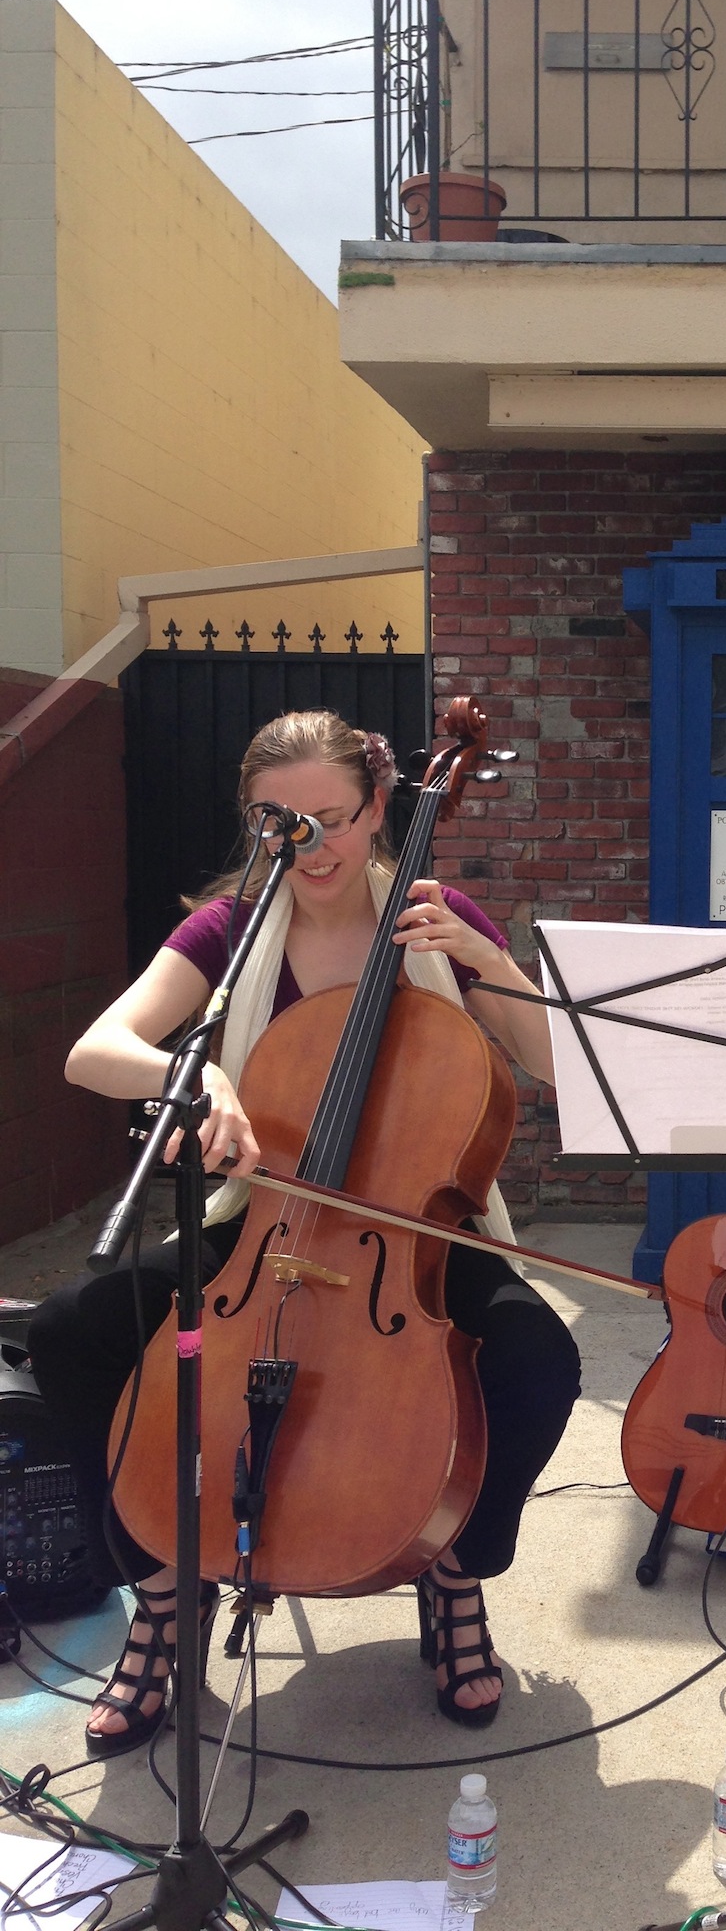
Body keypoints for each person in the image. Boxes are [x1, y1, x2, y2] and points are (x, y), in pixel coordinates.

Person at [28, 709, 580, 1755]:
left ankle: (454, 1566)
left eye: (332, 817)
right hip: (260, 1223)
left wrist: (483, 959)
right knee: (68, 1331)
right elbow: (96, 1050)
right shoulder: (230, 934)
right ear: (254, 822)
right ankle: (162, 1588)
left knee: (538, 1357)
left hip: (409, 1233)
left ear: (379, 809)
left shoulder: (435, 913)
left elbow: (554, 1063)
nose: (312, 844)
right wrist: (201, 1079)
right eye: (281, 821)